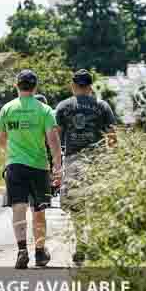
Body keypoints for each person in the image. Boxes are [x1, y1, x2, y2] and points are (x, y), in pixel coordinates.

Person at [0, 70, 63, 269]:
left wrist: (14, 151)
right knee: (38, 210)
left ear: (17, 86)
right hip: (39, 166)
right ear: (35, 87)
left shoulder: (7, 109)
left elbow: (1, 140)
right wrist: (57, 164)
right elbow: (53, 140)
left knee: (18, 209)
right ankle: (40, 252)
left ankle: (22, 251)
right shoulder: (44, 110)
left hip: (15, 166)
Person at [54, 69, 117, 265]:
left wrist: (56, 163)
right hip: (97, 161)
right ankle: (96, 246)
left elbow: (55, 136)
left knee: (77, 207)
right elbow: (112, 137)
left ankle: (81, 246)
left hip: (73, 161)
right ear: (90, 87)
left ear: (73, 86)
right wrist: (112, 160)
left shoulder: (63, 107)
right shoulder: (102, 106)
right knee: (97, 204)